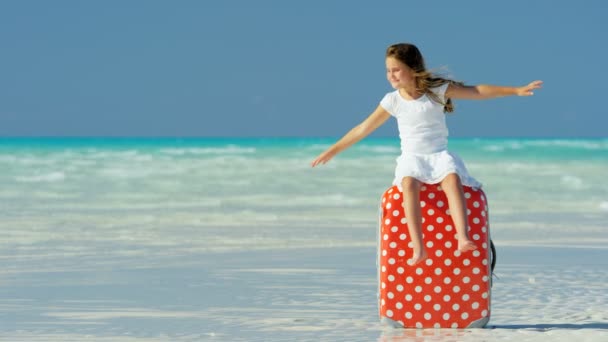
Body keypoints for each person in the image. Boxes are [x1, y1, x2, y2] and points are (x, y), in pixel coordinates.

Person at [311, 43, 542, 265]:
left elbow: (478, 91)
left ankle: (463, 237)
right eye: (387, 71)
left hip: (438, 154)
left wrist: (515, 90)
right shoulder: (392, 101)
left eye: (396, 70)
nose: (391, 75)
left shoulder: (436, 91)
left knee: (452, 179)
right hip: (412, 157)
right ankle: (418, 247)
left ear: (412, 69)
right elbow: (363, 128)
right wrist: (333, 150)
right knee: (409, 184)